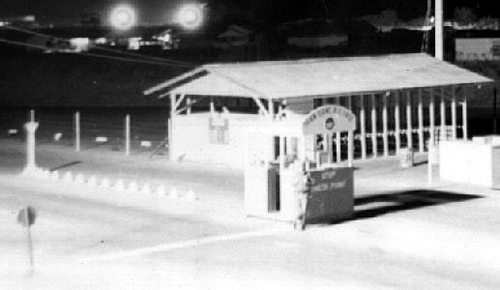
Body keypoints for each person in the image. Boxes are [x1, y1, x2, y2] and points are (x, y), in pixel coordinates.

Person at [293, 161, 312, 231]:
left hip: (305, 194)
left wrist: (307, 182)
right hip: (298, 194)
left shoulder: (307, 175)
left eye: (303, 167)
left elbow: (312, 182)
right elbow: (292, 183)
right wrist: (295, 182)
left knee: (304, 211)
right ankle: (295, 221)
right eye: (301, 167)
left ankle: (303, 225)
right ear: (299, 168)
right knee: (300, 212)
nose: (303, 169)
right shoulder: (297, 175)